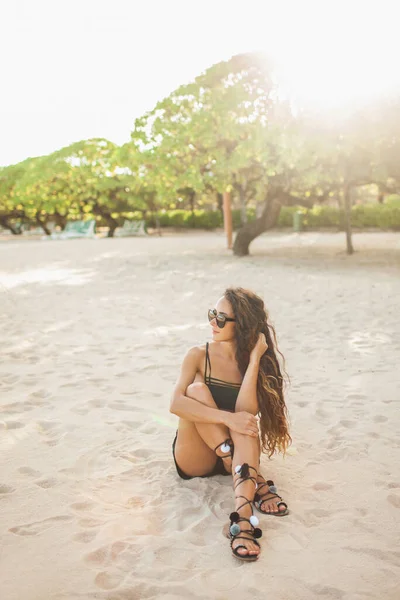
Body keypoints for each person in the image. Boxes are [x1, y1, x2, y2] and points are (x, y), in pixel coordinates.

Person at [170, 287, 291, 562]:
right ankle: (244, 472)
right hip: (196, 456)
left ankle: (242, 520)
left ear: (243, 326)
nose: (213, 323)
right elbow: (175, 404)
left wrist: (255, 359)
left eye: (222, 318)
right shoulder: (197, 355)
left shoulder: (255, 360)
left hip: (236, 453)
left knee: (246, 422)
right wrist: (227, 418)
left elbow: (245, 411)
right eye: (213, 314)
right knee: (197, 391)